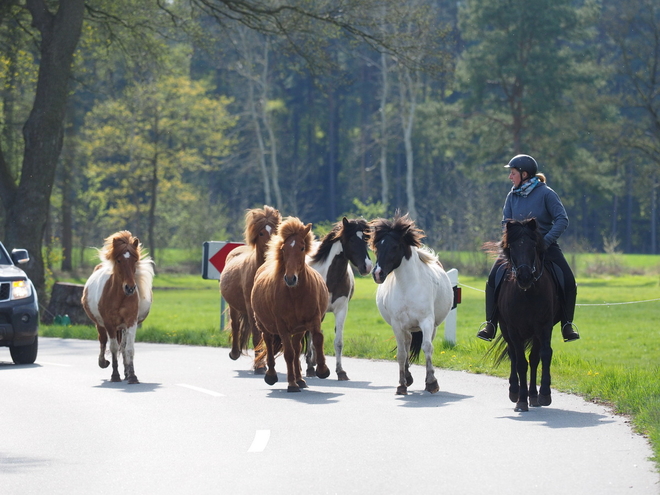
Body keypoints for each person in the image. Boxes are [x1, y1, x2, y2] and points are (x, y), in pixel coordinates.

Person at [476, 154, 580, 343]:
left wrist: (545, 242)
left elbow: (562, 219)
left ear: (524, 174)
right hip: (516, 249)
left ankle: (567, 325)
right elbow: (505, 222)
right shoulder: (512, 195)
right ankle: (490, 323)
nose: (510, 177)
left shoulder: (547, 193)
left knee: (568, 280)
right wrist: (512, 244)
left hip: (545, 246)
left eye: (513, 173)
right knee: (493, 278)